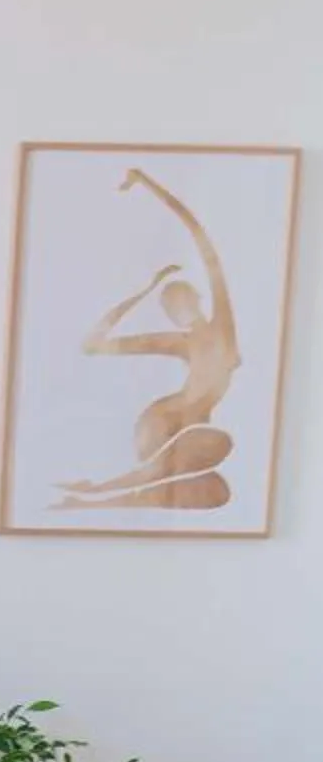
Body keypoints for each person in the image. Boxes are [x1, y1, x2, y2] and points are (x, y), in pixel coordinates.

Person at [54, 167, 239, 511]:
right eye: (171, 309)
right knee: (155, 477)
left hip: (192, 426)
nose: (178, 313)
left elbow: (202, 241)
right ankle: (92, 497)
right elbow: (92, 345)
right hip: (160, 422)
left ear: (198, 299)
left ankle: (91, 495)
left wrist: (145, 181)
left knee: (200, 486)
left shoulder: (222, 327)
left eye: (182, 302)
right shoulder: (177, 342)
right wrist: (146, 289)